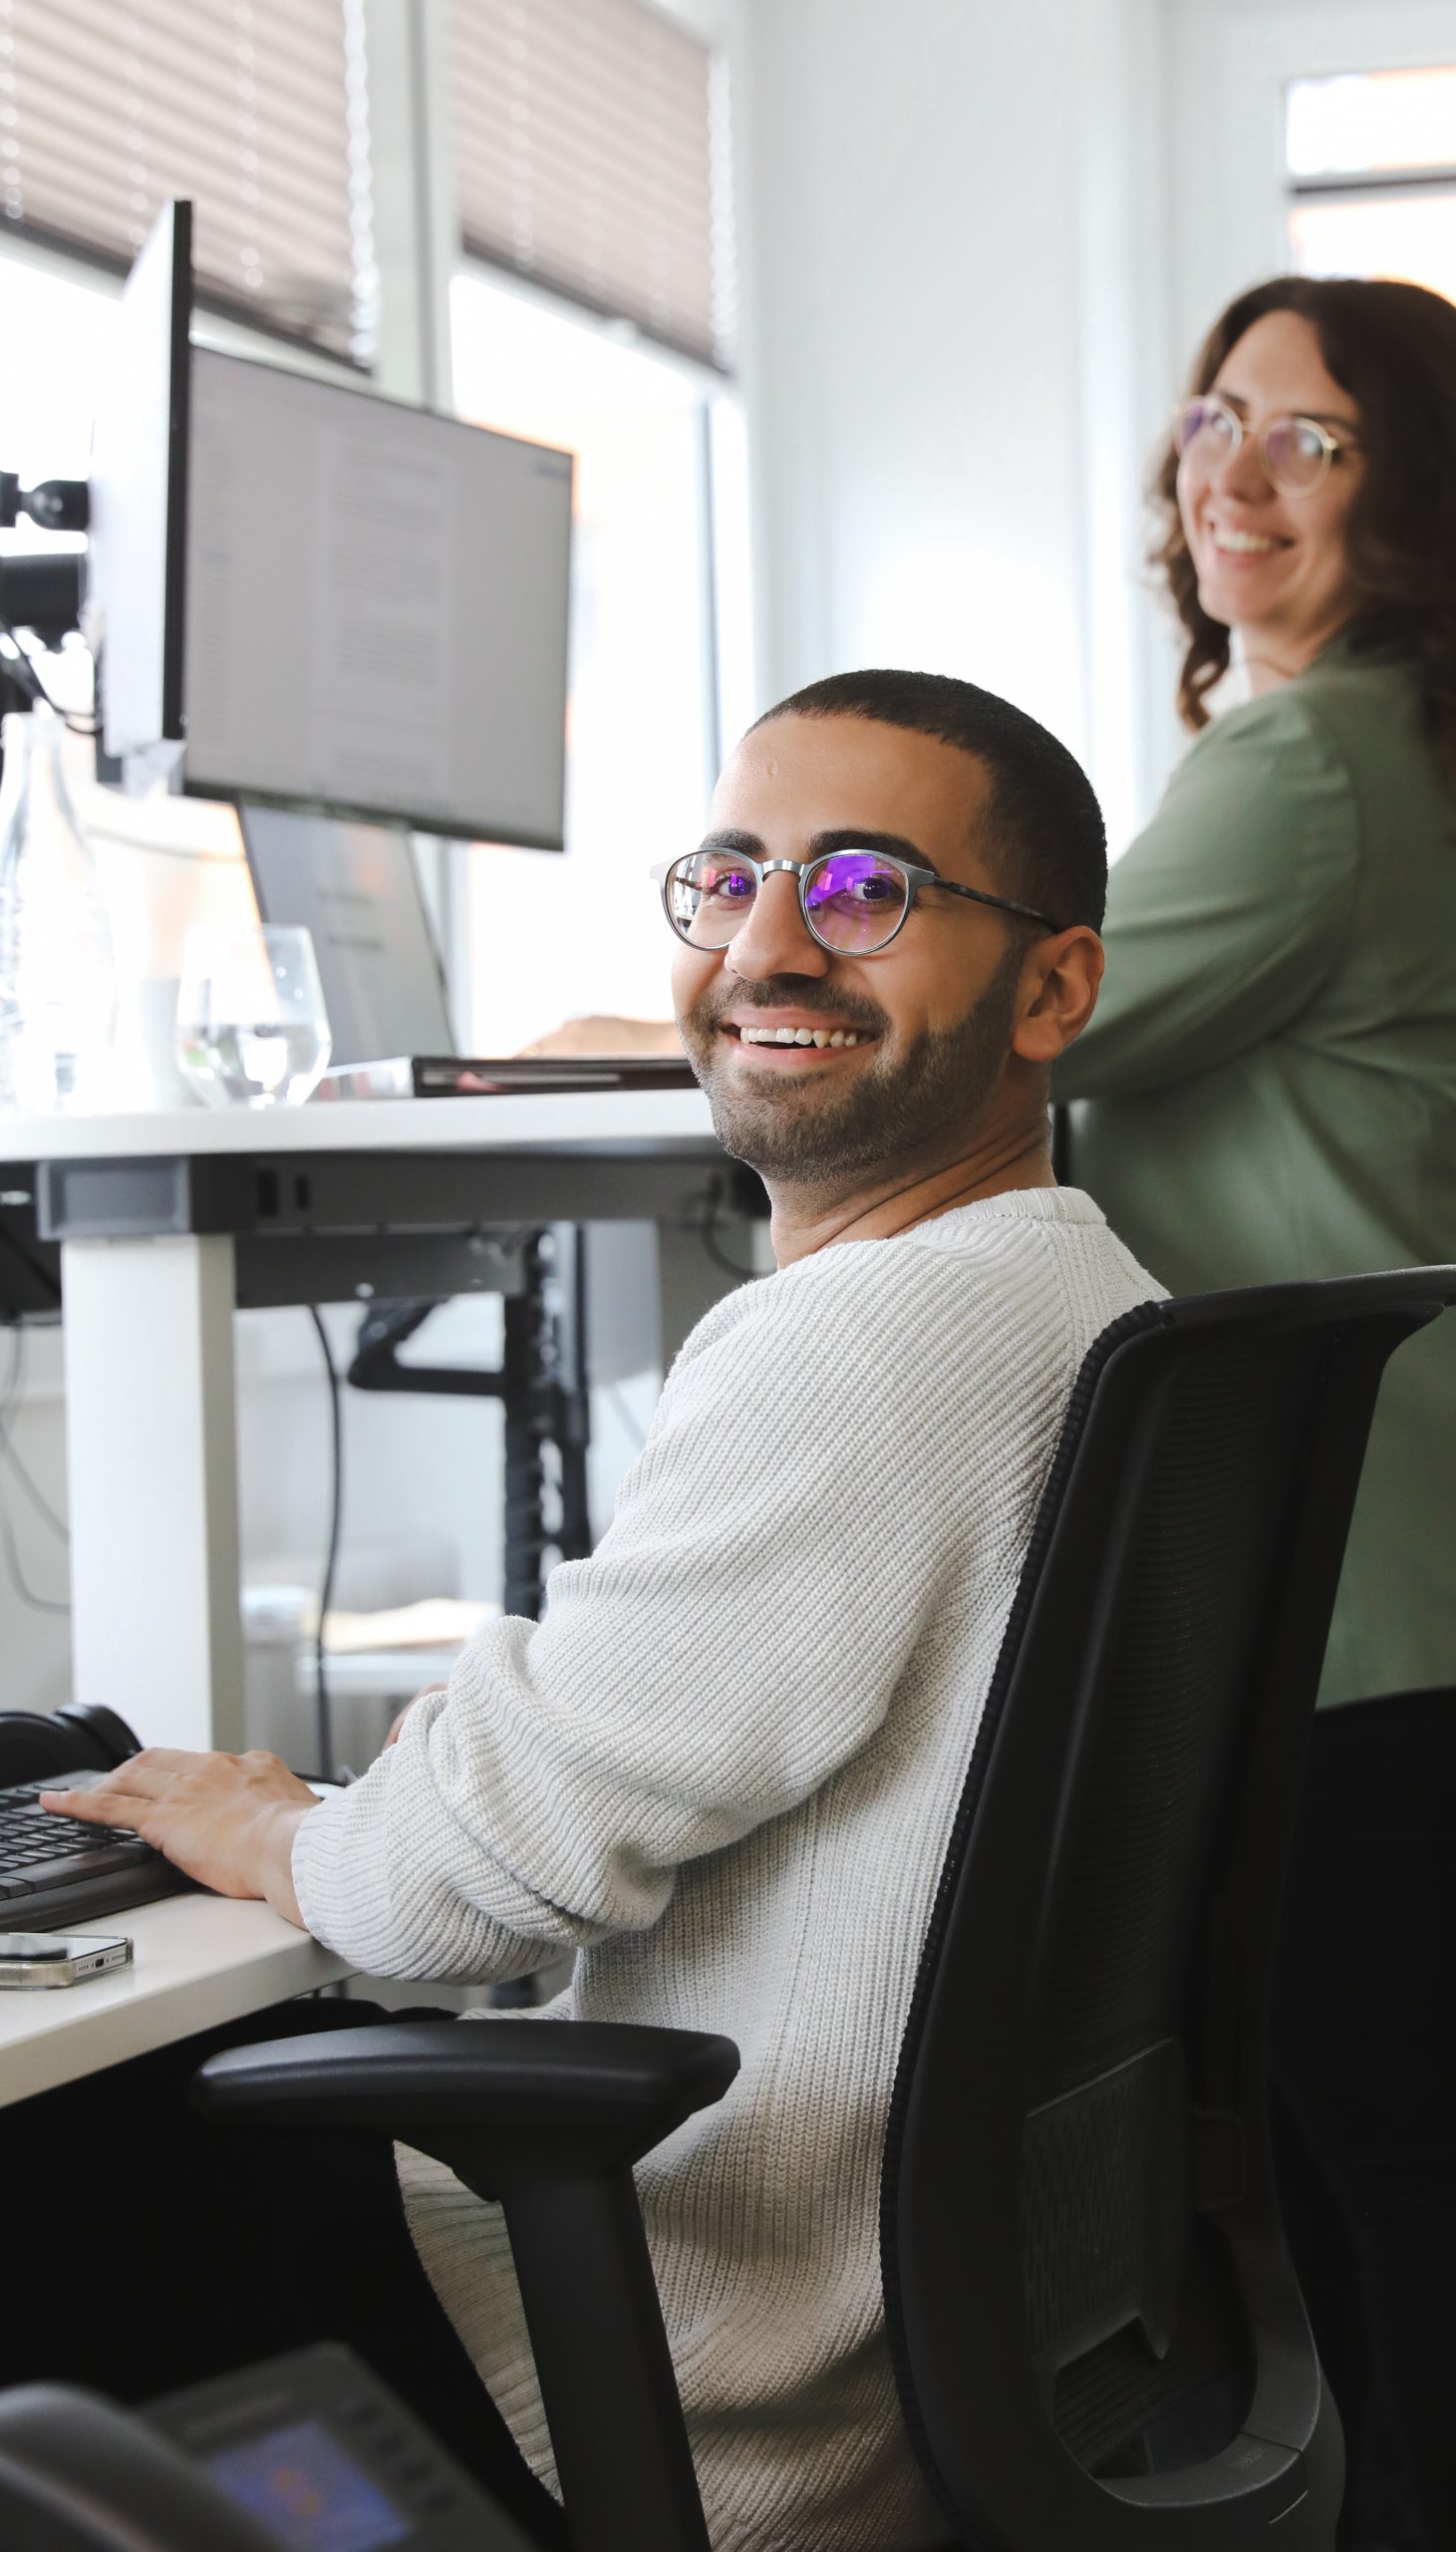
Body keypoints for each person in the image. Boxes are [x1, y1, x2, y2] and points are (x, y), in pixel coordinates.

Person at [25, 669, 1160, 2552]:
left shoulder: (870, 1340)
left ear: (1051, 988)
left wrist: (266, 1823)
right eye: (727, 880)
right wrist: (430, 1787)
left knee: (77, 2131)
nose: (768, 947)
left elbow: (446, 1889)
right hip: (950, 2317)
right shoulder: (1070, 1289)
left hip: (715, 2344)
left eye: (865, 890)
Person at [1050, 276, 1456, 2552]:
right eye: (1214, 419)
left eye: (1307, 440)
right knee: (1369, 2144)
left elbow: (1040, 1010)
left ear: (1413, 500)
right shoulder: (1399, 731)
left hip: (1391, 1555)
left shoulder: (1305, 756)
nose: (1231, 471)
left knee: (1374, 2156)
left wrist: (738, 995)